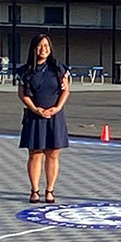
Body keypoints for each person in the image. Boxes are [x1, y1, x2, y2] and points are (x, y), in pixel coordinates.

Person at [18, 34, 71, 203]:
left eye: (47, 45)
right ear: (34, 48)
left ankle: (50, 190)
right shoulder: (25, 71)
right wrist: (35, 109)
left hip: (55, 116)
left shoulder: (58, 68)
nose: (44, 49)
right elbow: (22, 94)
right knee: (35, 153)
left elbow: (66, 91)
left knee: (53, 153)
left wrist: (57, 108)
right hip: (34, 116)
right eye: (40, 46)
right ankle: (35, 190)